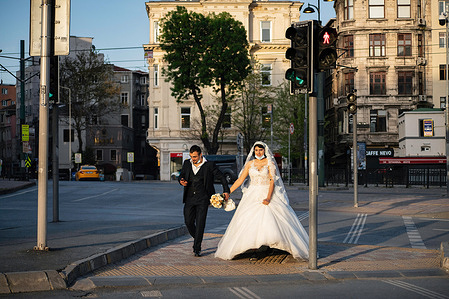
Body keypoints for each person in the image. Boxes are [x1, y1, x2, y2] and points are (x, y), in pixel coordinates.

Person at [215, 141, 309, 261]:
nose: (258, 152)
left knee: (271, 219)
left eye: (260, 150)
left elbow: (272, 181)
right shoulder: (250, 164)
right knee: (249, 221)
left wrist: (269, 197)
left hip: (267, 192)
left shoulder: (270, 163)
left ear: (264, 151)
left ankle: (271, 245)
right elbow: (239, 180)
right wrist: (227, 193)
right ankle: (254, 249)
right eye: (256, 150)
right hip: (252, 193)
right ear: (253, 152)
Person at [179, 145, 230, 257]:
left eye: (195, 157)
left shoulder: (209, 165)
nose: (193, 159)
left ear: (200, 155)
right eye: (192, 156)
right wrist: (181, 180)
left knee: (200, 223)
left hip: (203, 198)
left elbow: (221, 177)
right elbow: (181, 175)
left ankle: (197, 248)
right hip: (189, 198)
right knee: (188, 222)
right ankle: (197, 236)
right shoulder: (187, 163)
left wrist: (226, 190)